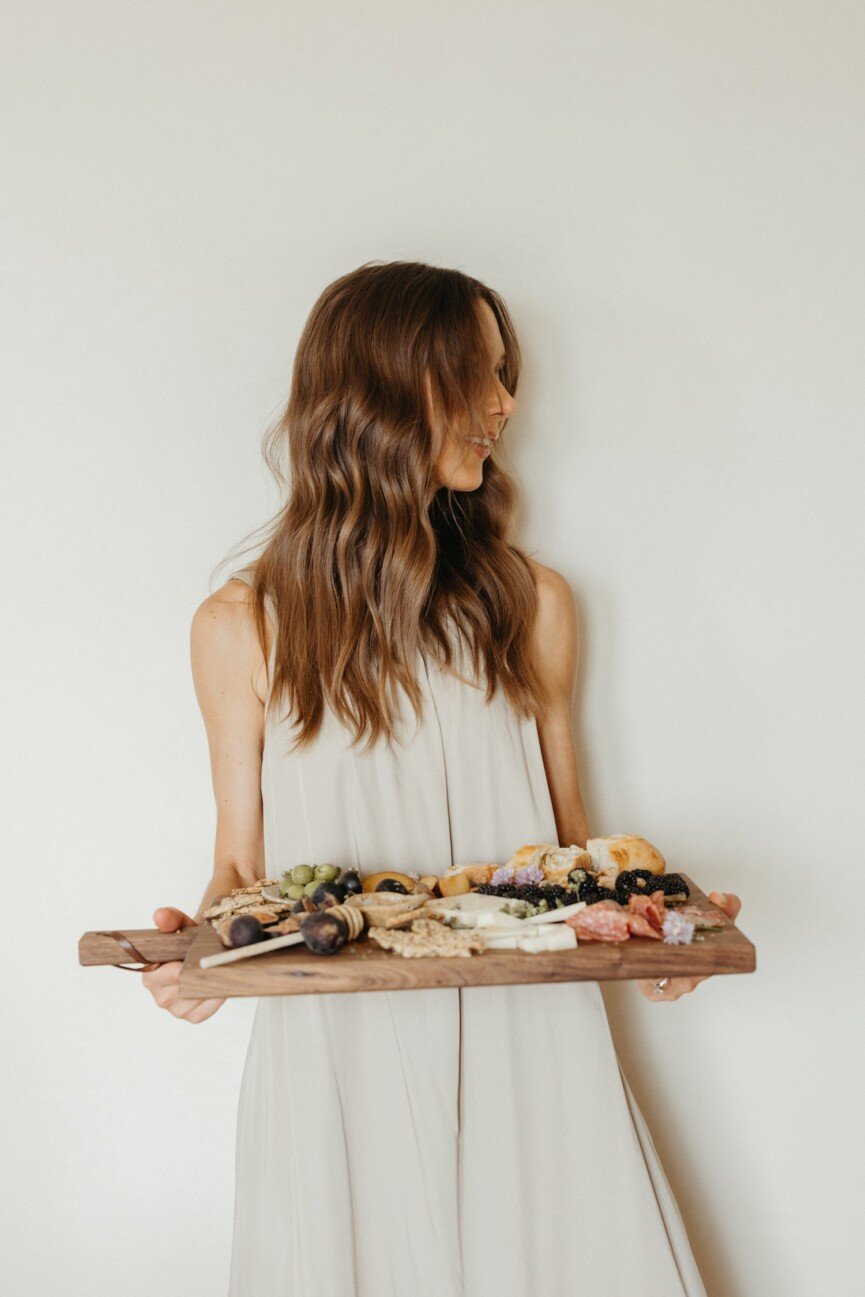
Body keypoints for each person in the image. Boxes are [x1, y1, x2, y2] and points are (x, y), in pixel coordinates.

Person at [143, 261, 741, 1296]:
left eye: (505, 375)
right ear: (379, 385)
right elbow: (241, 863)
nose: (504, 404)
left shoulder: (532, 603)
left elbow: (569, 847)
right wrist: (193, 959)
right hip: (340, 1050)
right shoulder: (241, 626)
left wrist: (659, 926)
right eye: (475, 372)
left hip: (531, 1035)